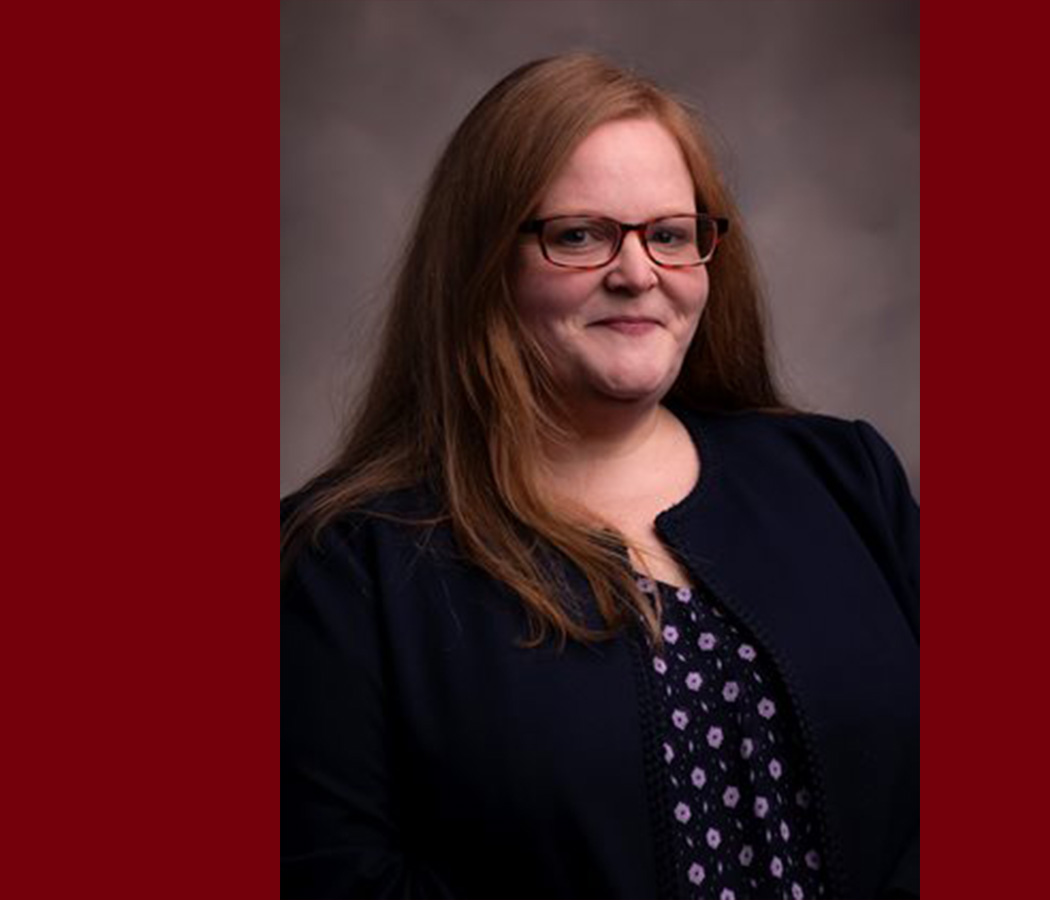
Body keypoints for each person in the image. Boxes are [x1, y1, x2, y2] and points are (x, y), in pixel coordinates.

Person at [281, 53, 918, 900]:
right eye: (579, 235)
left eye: (669, 234)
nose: (637, 273)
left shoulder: (845, 479)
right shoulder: (339, 563)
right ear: (483, 265)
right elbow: (336, 879)